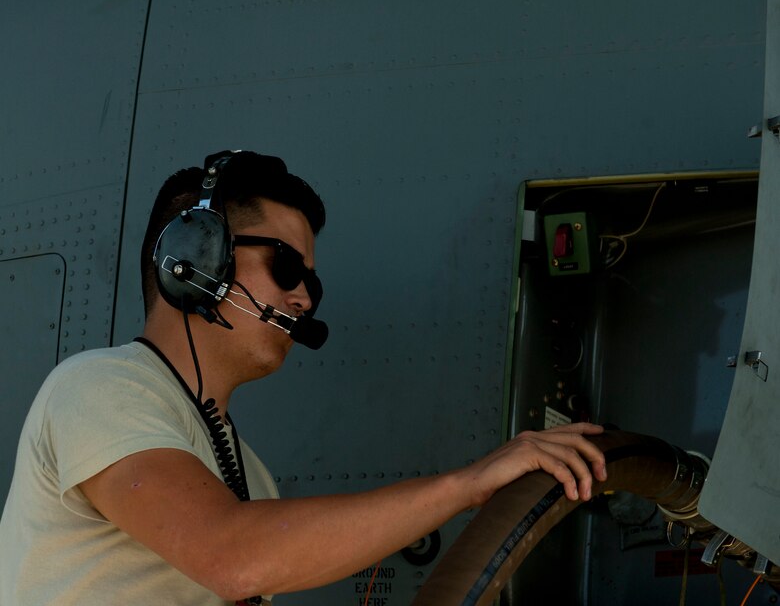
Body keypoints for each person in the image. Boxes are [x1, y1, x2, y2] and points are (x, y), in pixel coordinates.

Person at [0, 150, 607, 605]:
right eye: (286, 266)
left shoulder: (252, 476)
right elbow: (230, 554)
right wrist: (468, 485)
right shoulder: (96, 388)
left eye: (311, 283)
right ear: (194, 259)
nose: (304, 298)